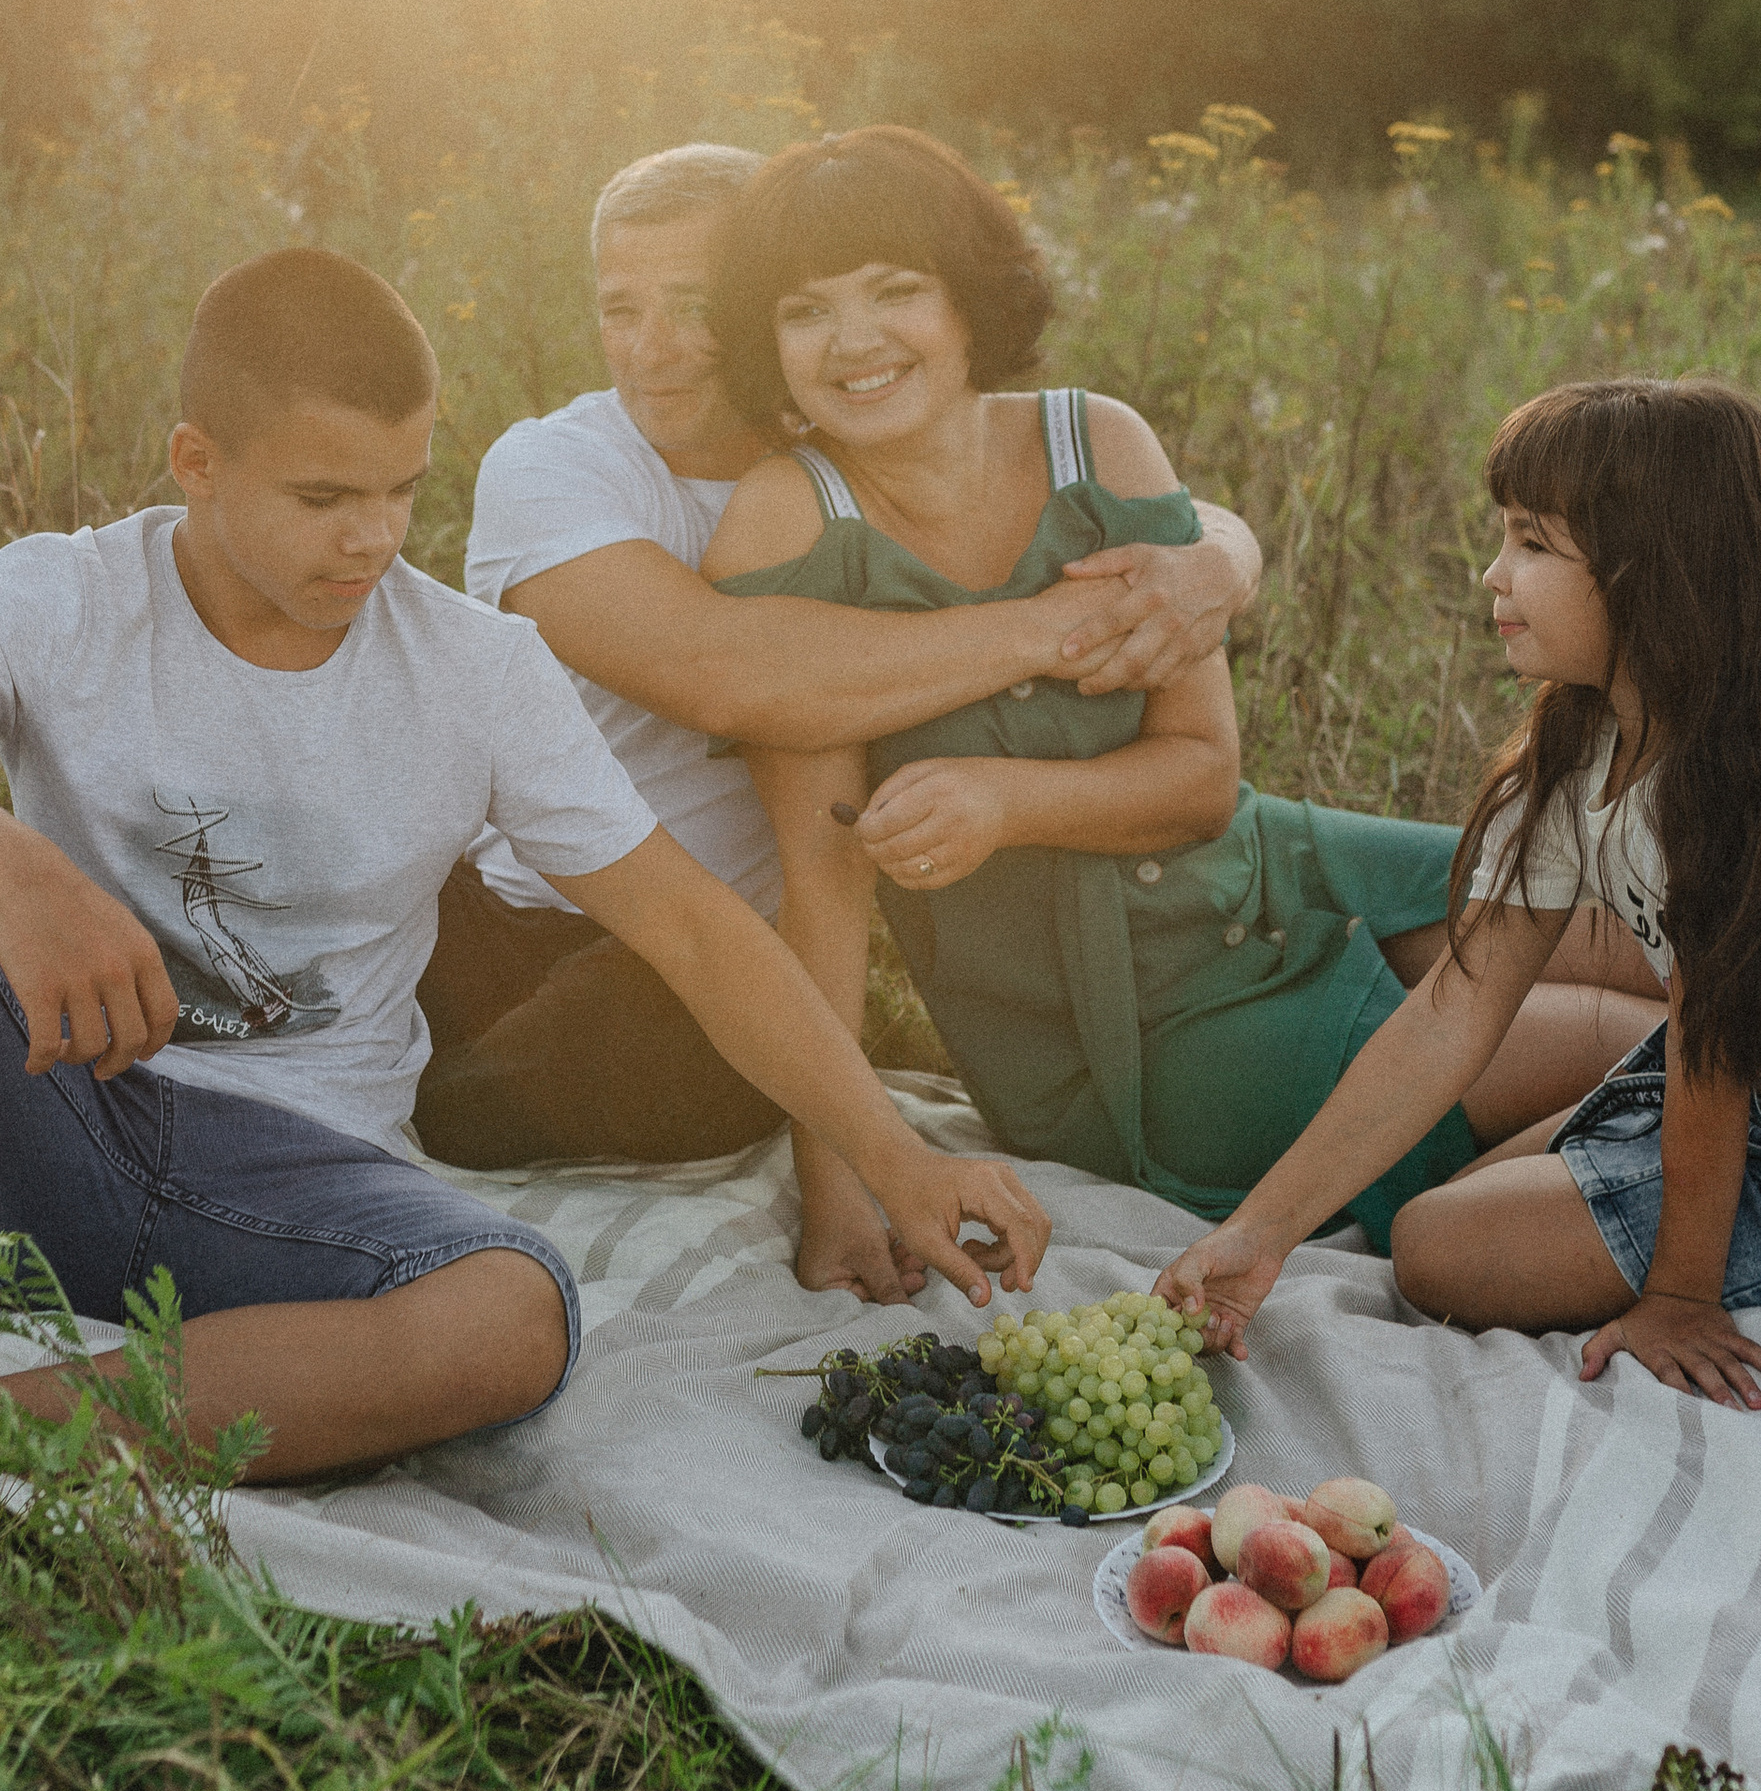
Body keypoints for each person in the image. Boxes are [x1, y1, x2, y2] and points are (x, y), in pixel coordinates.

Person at [0, 247, 1049, 1616]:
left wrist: (893, 1153)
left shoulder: (476, 669)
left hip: (295, 1196)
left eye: (403, 489)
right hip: (49, 1117)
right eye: (322, 496)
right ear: (198, 463)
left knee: (514, 1315)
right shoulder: (72, 595)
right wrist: (13, 868)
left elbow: (693, 927)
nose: (372, 537)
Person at [700, 128, 1663, 1301]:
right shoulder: (786, 524)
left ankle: (1699, 1149)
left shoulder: (1097, 441)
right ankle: (1519, 1204)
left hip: (1266, 859)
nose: (853, 340)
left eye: (893, 289)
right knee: (1629, 1044)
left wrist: (1003, 798)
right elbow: (821, 883)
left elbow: (1201, 776)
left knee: (1657, 940)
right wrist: (840, 1190)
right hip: (1129, 1023)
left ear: (965, 298)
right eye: (805, 310)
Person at [1156, 376, 1761, 1407]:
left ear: (1654, 575)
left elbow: (1717, 1062)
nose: (1492, 573)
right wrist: (1260, 1233)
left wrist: (1677, 1297)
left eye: (1531, 542)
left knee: (1435, 1253)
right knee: (1452, 1204)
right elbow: (1455, 1005)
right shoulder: (1584, 737)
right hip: (1756, 1080)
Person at [413, 141, 1263, 1174]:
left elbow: (1055, 486)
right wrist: (1055, 624)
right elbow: (730, 678)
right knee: (332, 1021)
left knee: (530, 1096)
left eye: (692, 305)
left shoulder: (855, 461)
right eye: (619, 308)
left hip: (708, 956)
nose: (651, 349)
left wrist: (1223, 553)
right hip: (514, 910)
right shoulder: (555, 467)